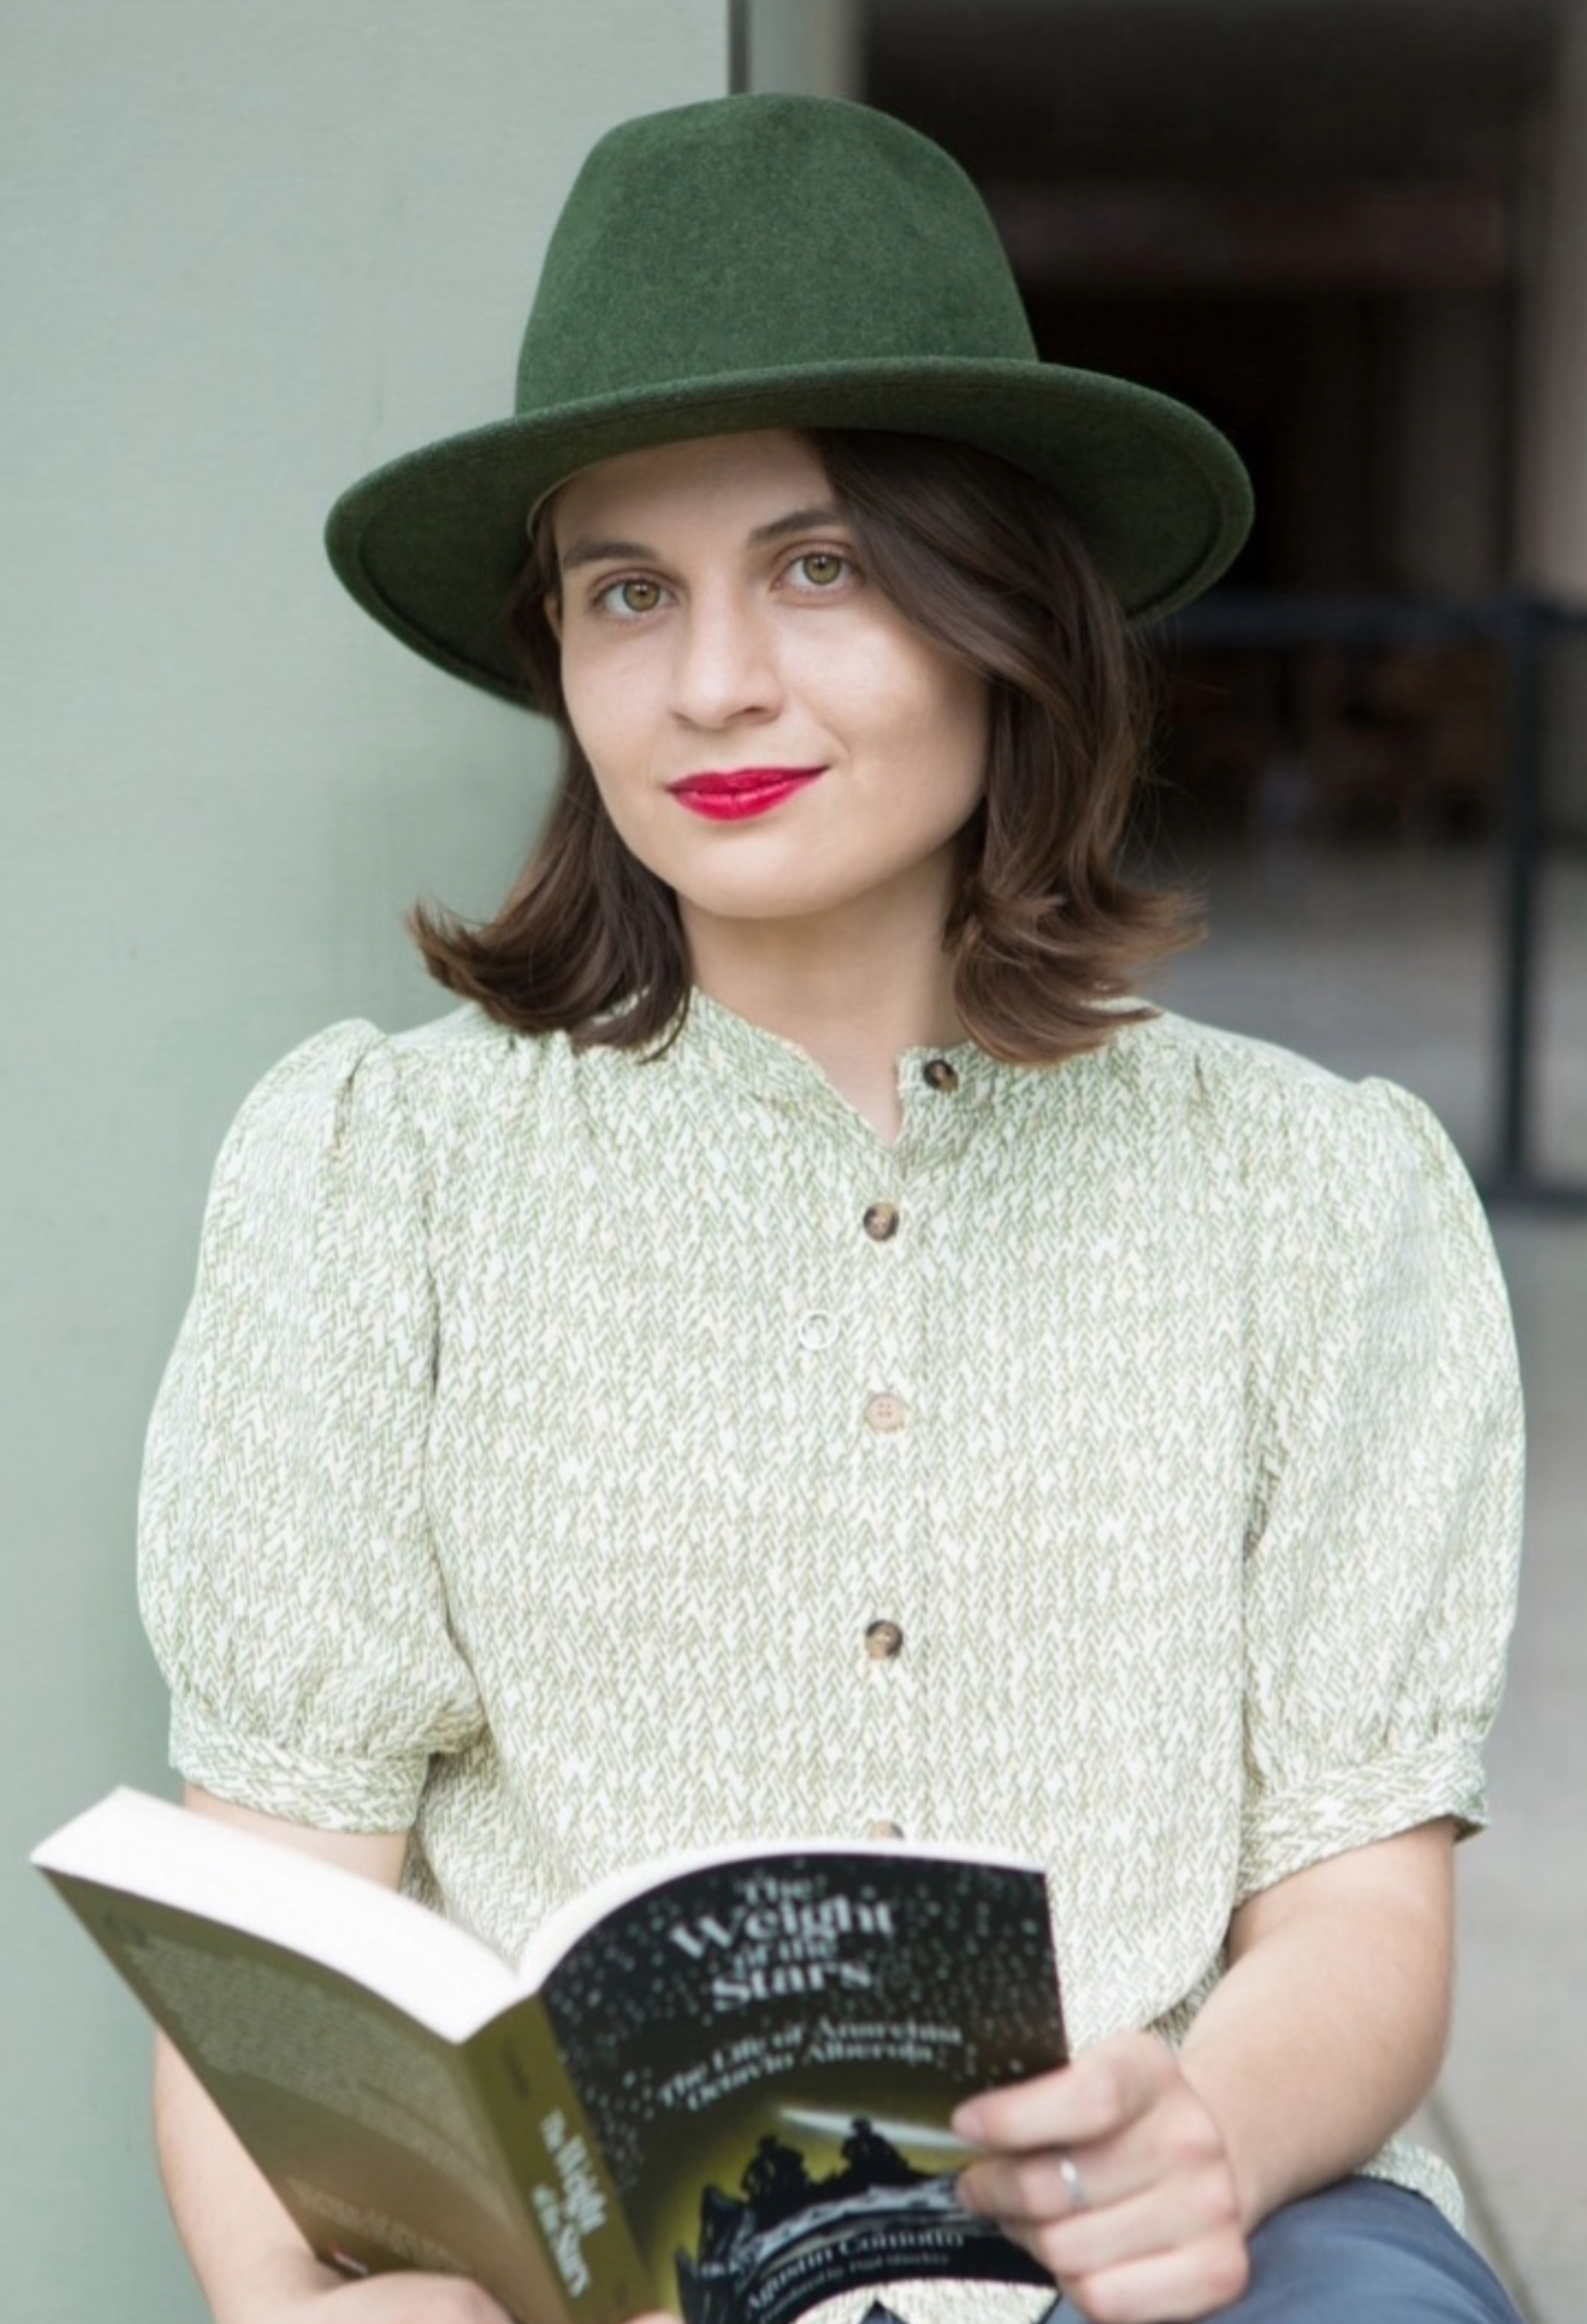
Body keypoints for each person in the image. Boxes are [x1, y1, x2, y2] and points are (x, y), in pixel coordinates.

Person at [138, 92, 1525, 2324]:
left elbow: (1358, 1907)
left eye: (820, 567)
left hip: (1201, 2238)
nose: (712, 684)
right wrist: (296, 2299)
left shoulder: (1312, 1195)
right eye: (627, 591)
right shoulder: (377, 1180)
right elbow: (283, 1900)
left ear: (1005, 610)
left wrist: (1199, 2142)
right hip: (607, 2270)